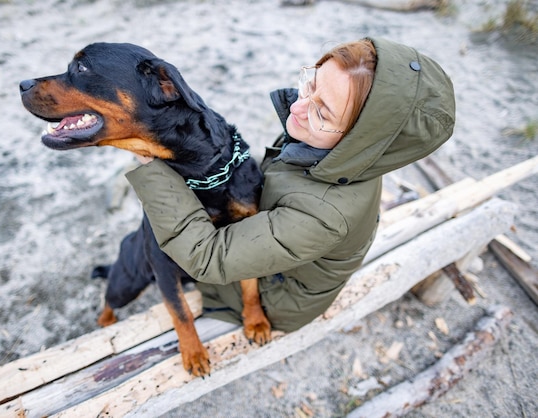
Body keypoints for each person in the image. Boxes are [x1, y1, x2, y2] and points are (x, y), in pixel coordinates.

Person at [128, 37, 456, 332]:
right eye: (311, 81)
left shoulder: (325, 213)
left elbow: (209, 258)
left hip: (279, 297)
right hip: (284, 247)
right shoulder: (333, 146)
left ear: (362, 139)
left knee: (165, 254)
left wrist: (151, 165)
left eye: (323, 113)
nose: (298, 107)